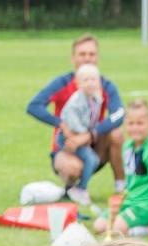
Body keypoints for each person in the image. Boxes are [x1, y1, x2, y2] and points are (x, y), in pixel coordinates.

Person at [28, 35, 125, 197]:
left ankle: (121, 188)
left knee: (116, 134)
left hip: (95, 146)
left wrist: (92, 134)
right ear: (73, 59)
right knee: (72, 169)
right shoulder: (62, 83)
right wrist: (61, 124)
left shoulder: (105, 85)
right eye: (82, 54)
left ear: (97, 58)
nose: (87, 58)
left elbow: (119, 114)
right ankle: (72, 188)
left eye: (91, 54)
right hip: (68, 146)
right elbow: (34, 106)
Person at [95, 101, 148, 237]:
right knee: (99, 226)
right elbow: (132, 180)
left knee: (115, 230)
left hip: (147, 205)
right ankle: (134, 226)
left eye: (140, 123)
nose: (135, 128)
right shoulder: (128, 146)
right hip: (131, 202)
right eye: (131, 124)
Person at [56, 64, 109, 205]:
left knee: (94, 160)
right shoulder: (75, 102)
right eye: (86, 80)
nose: (90, 83)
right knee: (91, 159)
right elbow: (74, 124)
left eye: (93, 79)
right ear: (78, 83)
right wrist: (86, 135)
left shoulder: (96, 98)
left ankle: (78, 187)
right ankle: (80, 189)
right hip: (70, 137)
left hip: (82, 136)